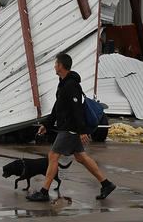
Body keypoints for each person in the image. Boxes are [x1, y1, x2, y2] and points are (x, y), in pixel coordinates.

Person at [26, 53, 116, 202]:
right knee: (81, 157)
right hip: (69, 128)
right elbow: (57, 107)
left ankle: (44, 191)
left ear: (61, 66)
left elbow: (77, 110)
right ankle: (106, 184)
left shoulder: (72, 85)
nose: (54, 66)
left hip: (71, 129)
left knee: (53, 156)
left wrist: (82, 131)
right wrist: (47, 125)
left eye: (56, 63)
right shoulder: (63, 83)